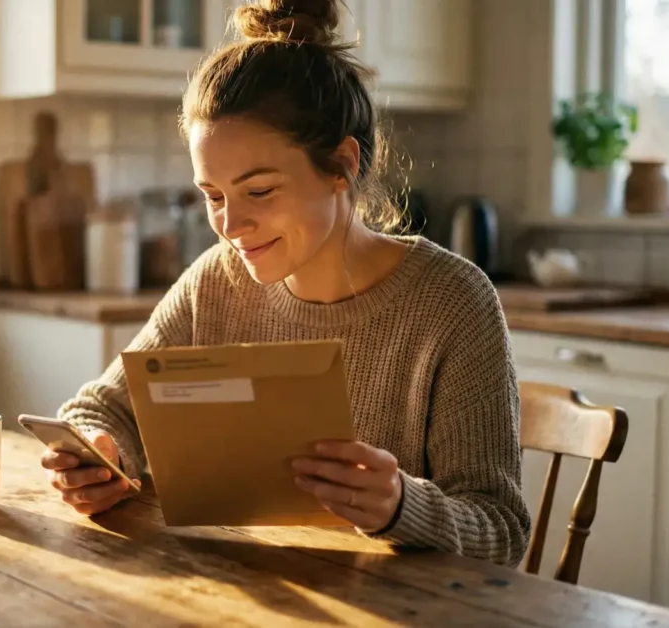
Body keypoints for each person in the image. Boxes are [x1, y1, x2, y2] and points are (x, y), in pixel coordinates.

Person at [40, 0, 531, 567]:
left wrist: (401, 505)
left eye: (260, 191)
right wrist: (98, 454)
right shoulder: (215, 283)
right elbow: (102, 409)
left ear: (341, 166)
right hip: (240, 592)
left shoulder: (453, 302)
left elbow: (502, 529)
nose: (229, 225)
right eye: (213, 196)